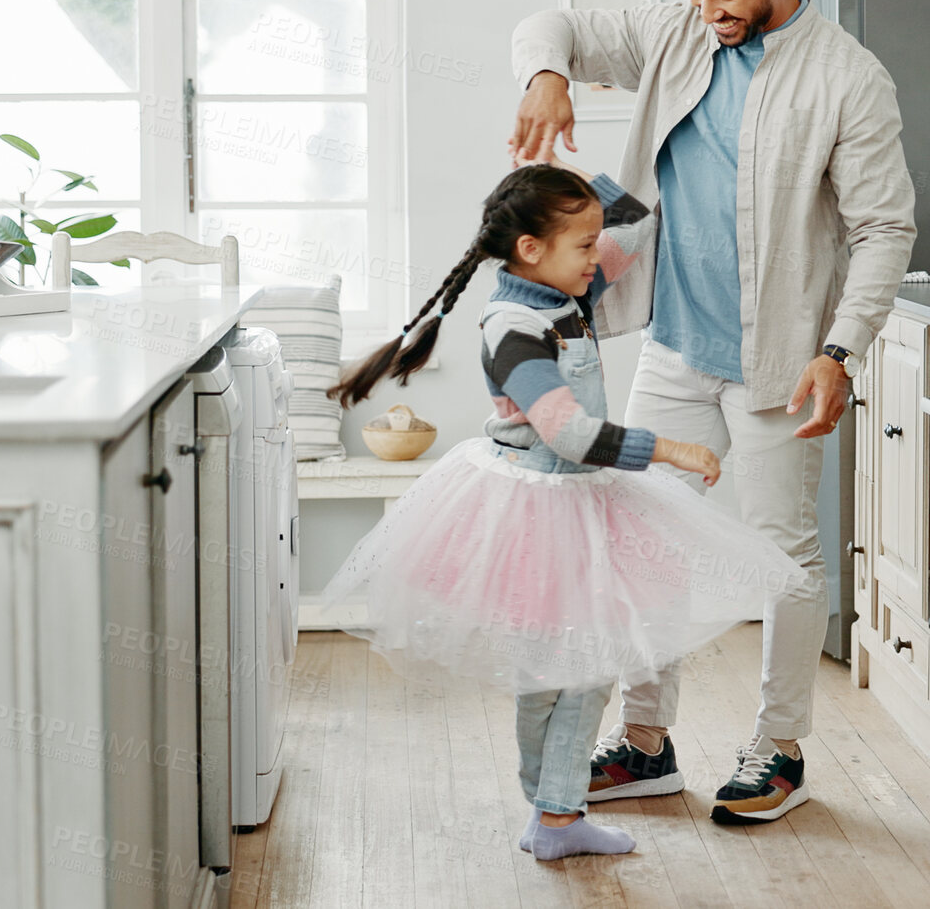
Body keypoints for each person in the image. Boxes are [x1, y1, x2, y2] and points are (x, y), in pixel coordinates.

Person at [509, 0, 917, 824]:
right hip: (675, 343)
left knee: (782, 556)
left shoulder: (849, 79)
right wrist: (548, 76)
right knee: (642, 541)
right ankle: (646, 744)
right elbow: (550, 23)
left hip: (779, 360)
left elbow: (885, 229)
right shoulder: (677, 30)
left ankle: (778, 748)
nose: (708, 13)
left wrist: (839, 350)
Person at [320, 161, 803, 861]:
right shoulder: (516, 325)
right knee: (569, 665)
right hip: (543, 508)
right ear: (530, 249)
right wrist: (670, 448)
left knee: (570, 665)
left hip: (572, 502)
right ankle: (553, 810)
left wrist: (600, 156)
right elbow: (569, 433)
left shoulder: (559, 288)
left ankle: (552, 808)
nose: (595, 259)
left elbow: (632, 223)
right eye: (583, 245)